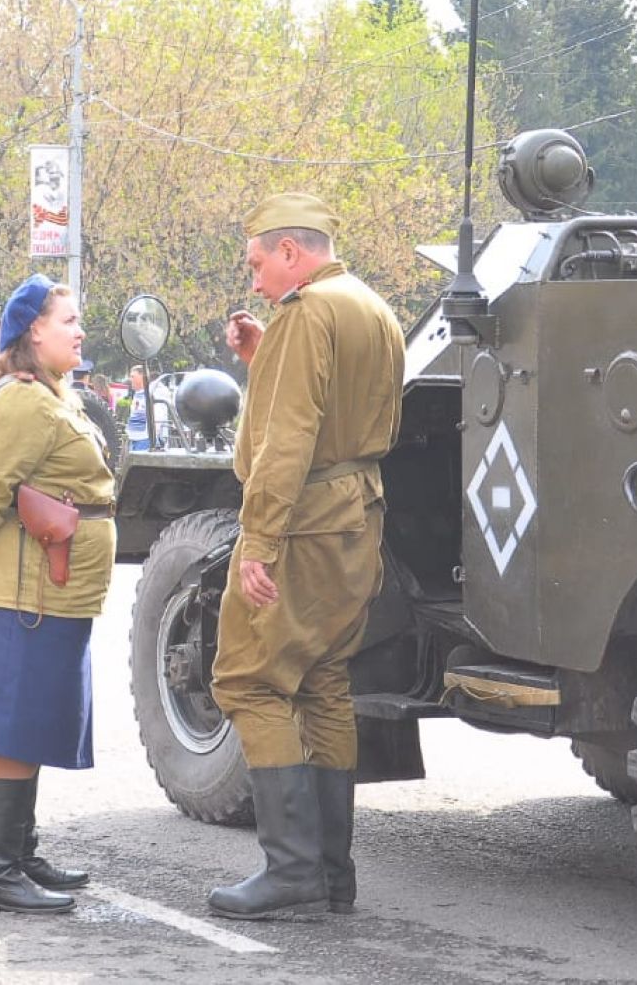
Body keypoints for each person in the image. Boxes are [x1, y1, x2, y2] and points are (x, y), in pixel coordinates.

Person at [206, 193, 405, 920]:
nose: (255, 280)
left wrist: (258, 540)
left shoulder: (305, 314)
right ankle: (332, 872)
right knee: (323, 681)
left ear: (292, 252)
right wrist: (268, 355)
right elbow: (341, 412)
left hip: (301, 526)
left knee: (249, 681)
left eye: (258, 262)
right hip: (356, 519)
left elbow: (288, 440)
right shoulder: (369, 308)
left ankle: (289, 867)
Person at [0, 275, 114, 914]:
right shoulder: (23, 402)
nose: (79, 331)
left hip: (47, 590)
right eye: (68, 319)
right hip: (20, 591)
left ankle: (18, 852)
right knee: (8, 731)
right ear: (32, 332)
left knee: (32, 724)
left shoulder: (54, 395)